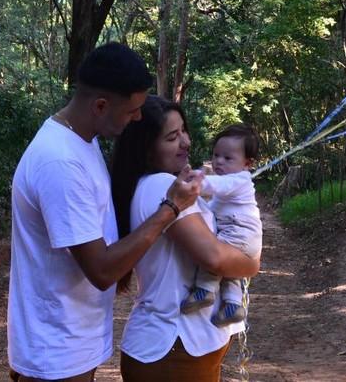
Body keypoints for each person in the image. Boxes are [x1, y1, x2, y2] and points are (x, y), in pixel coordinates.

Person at [7, 43, 203, 382]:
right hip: (56, 352)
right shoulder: (61, 162)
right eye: (132, 111)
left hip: (72, 341)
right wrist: (170, 208)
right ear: (100, 105)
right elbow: (100, 269)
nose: (139, 118)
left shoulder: (82, 140)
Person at [110, 97, 261, 381]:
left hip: (183, 346)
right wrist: (251, 263)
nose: (186, 142)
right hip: (172, 347)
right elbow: (214, 258)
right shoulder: (162, 187)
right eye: (172, 137)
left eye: (184, 131)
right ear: (147, 149)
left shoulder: (166, 185)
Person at [179, 123, 262, 327]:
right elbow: (212, 205)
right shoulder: (233, 182)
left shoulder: (239, 179)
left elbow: (216, 186)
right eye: (216, 155)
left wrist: (197, 182)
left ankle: (205, 289)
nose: (218, 162)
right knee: (231, 270)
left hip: (239, 233)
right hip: (246, 239)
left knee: (215, 253)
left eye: (227, 158)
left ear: (247, 163)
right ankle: (233, 305)